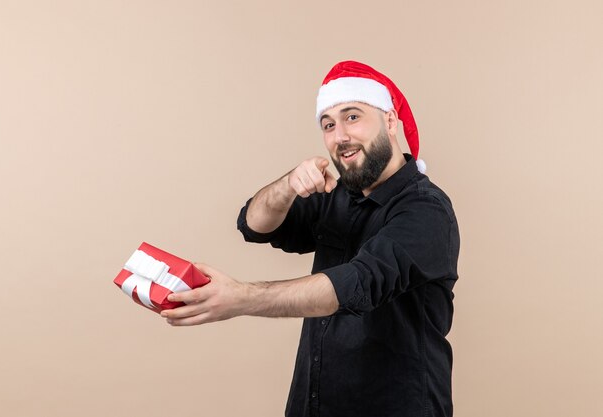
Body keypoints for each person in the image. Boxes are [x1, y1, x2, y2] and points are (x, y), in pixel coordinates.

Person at [161, 60, 460, 417]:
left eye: (353, 117)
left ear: (391, 121)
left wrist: (240, 298)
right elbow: (254, 224)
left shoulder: (426, 210)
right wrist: (289, 185)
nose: (340, 136)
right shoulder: (339, 195)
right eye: (328, 124)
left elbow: (354, 285)